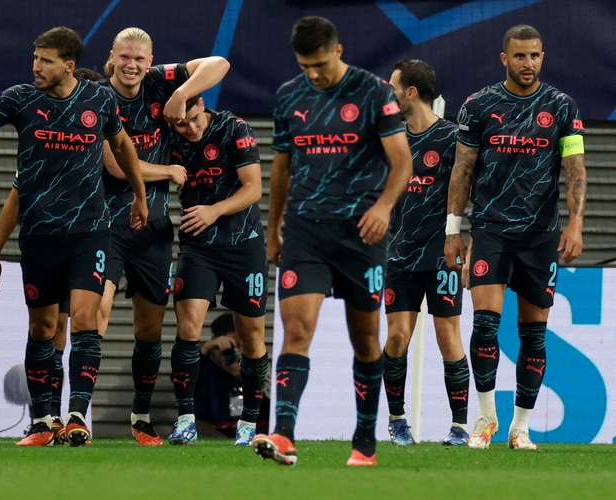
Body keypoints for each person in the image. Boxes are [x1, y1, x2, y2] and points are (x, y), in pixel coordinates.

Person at [0, 26, 148, 447]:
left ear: (68, 66)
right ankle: (42, 422)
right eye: (34, 57)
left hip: (89, 232)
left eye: (46, 60)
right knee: (42, 327)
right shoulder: (20, 98)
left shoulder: (99, 100)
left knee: (87, 321)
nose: (36, 66)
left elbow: (123, 145)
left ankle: (76, 416)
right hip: (39, 235)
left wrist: (140, 194)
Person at [254, 16, 412, 466]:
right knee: (297, 330)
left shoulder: (373, 92)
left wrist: (383, 208)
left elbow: (402, 161)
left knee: (365, 341)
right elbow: (282, 167)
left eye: (321, 64)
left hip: (360, 234)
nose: (315, 74)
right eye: (306, 66)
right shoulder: (289, 96)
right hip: (306, 231)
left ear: (339, 50)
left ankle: (364, 441)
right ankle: (282, 435)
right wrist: (273, 227)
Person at [445, 25, 586, 450]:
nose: (529, 64)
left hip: (540, 237)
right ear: (503, 58)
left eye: (535, 56)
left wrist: (576, 223)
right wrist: (454, 229)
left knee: (534, 336)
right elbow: (462, 169)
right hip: (490, 230)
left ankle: (520, 427)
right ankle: (486, 420)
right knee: (485, 326)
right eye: (520, 56)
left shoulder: (561, 106)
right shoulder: (479, 105)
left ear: (544, 57)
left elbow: (575, 169)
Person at [97, 26, 229, 446]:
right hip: (107, 226)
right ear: (112, 57)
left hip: (153, 230)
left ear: (149, 61)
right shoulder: (99, 98)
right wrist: (168, 172)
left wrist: (178, 94)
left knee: (149, 331)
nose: (132, 65)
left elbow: (220, 63)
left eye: (139, 58)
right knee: (93, 319)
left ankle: (139, 417)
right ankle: (76, 412)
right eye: (125, 57)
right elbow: (116, 166)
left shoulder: (159, 83)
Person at [166, 95, 269, 447]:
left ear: (203, 106)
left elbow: (253, 187)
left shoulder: (234, 127)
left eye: (194, 119)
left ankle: (249, 422)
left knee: (253, 337)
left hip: (245, 244)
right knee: (188, 326)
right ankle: (185, 420)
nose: (190, 128)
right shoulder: (168, 135)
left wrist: (213, 210)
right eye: (181, 124)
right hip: (199, 246)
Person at [382, 59, 469, 446]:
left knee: (447, 335)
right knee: (397, 337)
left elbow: (470, 193)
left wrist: (468, 243)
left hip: (441, 255)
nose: (389, 91)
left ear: (410, 92)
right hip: (398, 254)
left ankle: (461, 426)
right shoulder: (390, 138)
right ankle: (398, 421)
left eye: (393, 86)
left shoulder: (452, 139)